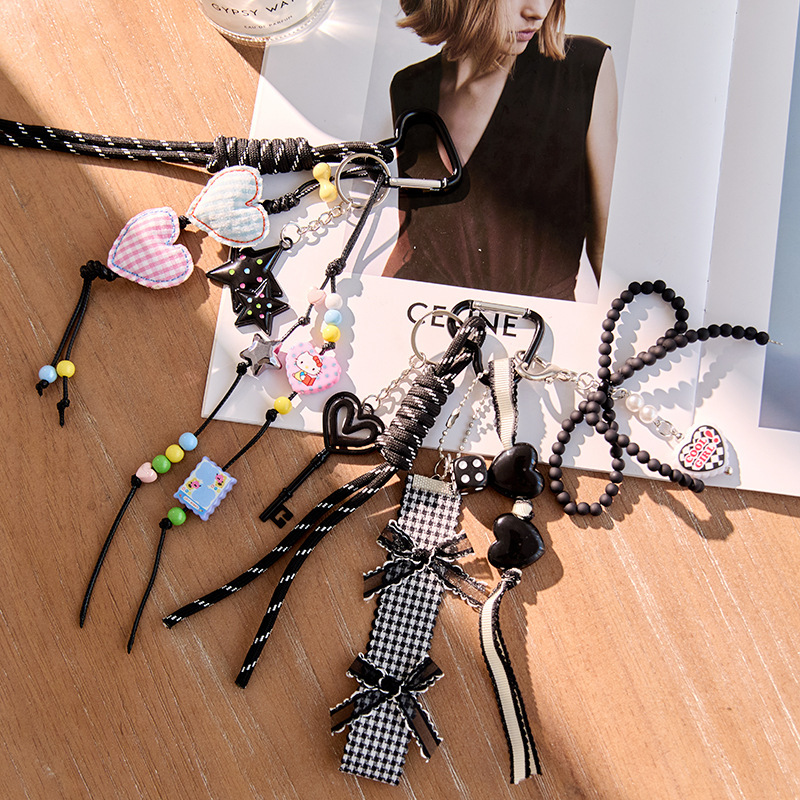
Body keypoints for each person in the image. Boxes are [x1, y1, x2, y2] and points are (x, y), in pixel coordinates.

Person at [382, 0, 618, 301]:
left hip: (536, 324)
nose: (537, 12)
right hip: (427, 315)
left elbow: (607, 250)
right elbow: (413, 237)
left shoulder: (582, 67)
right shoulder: (408, 87)